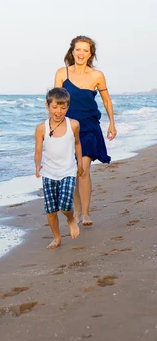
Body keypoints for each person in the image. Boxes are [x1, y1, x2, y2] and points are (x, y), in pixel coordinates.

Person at [54, 36, 116, 226]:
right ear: (72, 51)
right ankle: (78, 210)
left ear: (90, 54)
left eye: (85, 50)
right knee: (73, 170)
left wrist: (112, 123)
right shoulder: (62, 73)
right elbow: (56, 102)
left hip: (89, 127)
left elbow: (106, 100)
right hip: (68, 127)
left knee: (83, 169)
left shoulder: (97, 75)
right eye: (78, 49)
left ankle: (86, 213)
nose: (81, 54)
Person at [35, 87, 85, 249]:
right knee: (50, 210)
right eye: (55, 107)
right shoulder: (41, 128)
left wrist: (81, 163)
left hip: (68, 171)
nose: (59, 111)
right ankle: (57, 238)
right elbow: (37, 151)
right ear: (47, 106)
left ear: (68, 107)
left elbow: (77, 143)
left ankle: (71, 220)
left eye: (63, 107)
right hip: (48, 173)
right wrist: (37, 165)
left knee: (64, 205)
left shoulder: (74, 125)